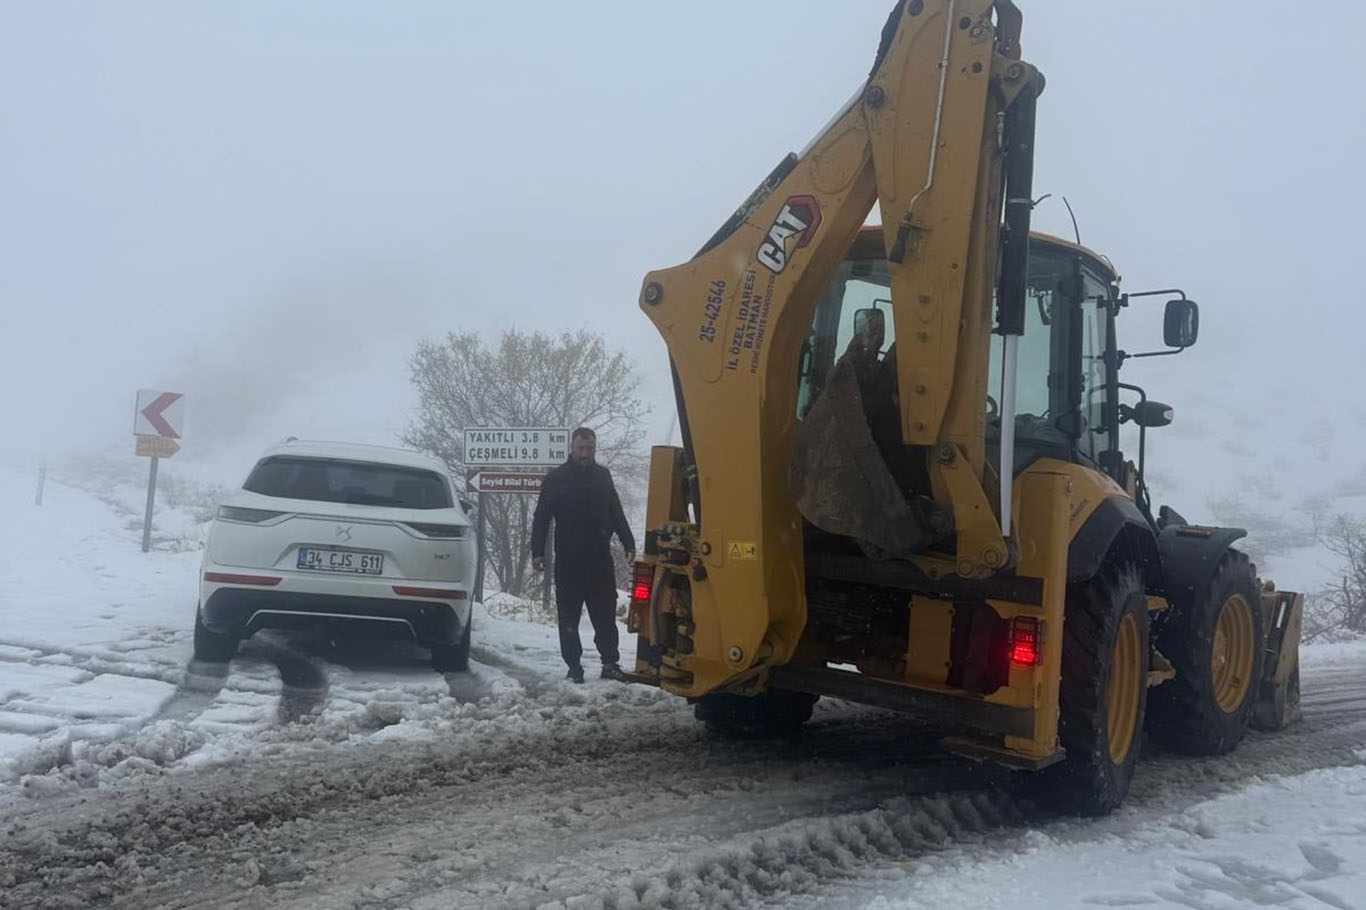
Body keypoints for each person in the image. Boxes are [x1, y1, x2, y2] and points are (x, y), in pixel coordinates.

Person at [531, 426, 635, 683]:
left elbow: (616, 511)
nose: (585, 453)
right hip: (568, 559)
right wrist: (537, 552)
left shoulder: (603, 476)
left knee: (604, 614)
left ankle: (610, 662)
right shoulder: (556, 478)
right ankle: (574, 666)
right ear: (572, 448)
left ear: (595, 449)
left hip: (599, 558)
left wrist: (628, 542)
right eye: (581, 448)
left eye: (589, 449)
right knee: (569, 615)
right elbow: (542, 517)